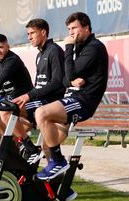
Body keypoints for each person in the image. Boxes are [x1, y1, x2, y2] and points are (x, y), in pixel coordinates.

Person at [34, 12, 108, 180]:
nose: (71, 33)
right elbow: (66, 80)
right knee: (47, 144)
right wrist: (71, 81)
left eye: (74, 28)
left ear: (87, 28)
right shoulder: (82, 47)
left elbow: (70, 74)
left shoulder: (94, 47)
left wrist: (68, 48)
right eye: (69, 29)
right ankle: (60, 189)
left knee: (41, 113)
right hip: (73, 98)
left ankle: (59, 161)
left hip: (83, 101)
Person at [0, 18, 65, 164]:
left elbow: (57, 82)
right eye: (28, 34)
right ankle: (19, 148)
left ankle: (29, 148)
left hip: (50, 103)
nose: (29, 37)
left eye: (32, 33)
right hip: (39, 101)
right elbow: (39, 84)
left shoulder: (54, 51)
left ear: (43, 32)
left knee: (6, 111)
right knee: (3, 112)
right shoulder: (40, 54)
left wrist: (29, 95)